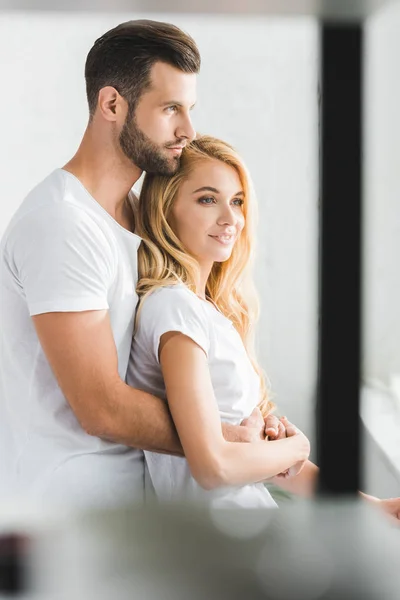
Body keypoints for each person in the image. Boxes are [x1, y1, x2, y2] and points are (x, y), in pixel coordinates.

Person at [0, 20, 273, 510]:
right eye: (170, 109)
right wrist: (229, 439)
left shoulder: (132, 213)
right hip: (67, 515)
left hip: (132, 509)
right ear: (111, 105)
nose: (188, 131)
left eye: (189, 110)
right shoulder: (63, 222)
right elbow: (102, 408)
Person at [129, 134, 400, 516]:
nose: (230, 218)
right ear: (165, 207)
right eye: (208, 199)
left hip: (246, 528)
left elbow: (269, 466)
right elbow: (213, 467)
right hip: (221, 543)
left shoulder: (204, 311)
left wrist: (376, 508)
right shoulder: (174, 307)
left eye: (237, 201)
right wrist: (292, 448)